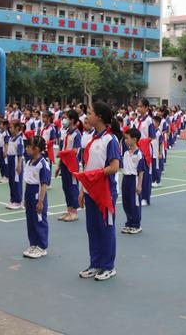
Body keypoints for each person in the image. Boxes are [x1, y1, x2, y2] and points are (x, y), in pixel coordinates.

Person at [78, 102, 121, 282]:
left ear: (100, 117)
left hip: (105, 193)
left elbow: (114, 167)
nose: (86, 116)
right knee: (92, 229)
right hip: (90, 192)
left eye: (89, 113)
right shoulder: (90, 139)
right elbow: (86, 167)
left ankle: (108, 266)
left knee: (106, 229)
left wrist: (96, 175)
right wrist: (83, 189)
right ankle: (95, 263)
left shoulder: (110, 140)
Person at [23, 136, 50, 259]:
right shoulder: (29, 161)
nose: (27, 148)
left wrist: (41, 201)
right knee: (30, 219)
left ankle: (42, 246)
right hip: (29, 191)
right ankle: (33, 243)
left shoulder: (42, 164)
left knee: (39, 219)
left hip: (37, 192)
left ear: (37, 149)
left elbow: (44, 184)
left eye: (29, 146)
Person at [55, 110, 81, 222]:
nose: (63, 120)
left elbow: (75, 151)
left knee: (72, 187)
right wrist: (58, 165)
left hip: (72, 165)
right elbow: (63, 148)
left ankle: (74, 211)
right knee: (65, 187)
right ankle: (69, 209)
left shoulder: (77, 134)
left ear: (72, 120)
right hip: (64, 164)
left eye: (65, 118)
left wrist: (62, 153)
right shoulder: (65, 132)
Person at [121, 127, 145, 234]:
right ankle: (129, 222)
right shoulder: (126, 153)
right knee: (126, 202)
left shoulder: (139, 154)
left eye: (127, 138)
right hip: (125, 179)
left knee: (134, 203)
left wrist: (139, 185)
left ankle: (136, 224)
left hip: (133, 180)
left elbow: (141, 171)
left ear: (135, 139)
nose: (125, 141)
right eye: (125, 138)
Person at [6, 121, 25, 210]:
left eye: (11, 127)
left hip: (16, 161)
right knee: (11, 181)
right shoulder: (11, 138)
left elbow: (20, 153)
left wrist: (19, 165)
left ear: (17, 128)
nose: (10, 129)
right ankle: (13, 199)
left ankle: (18, 201)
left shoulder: (19, 139)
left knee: (17, 181)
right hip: (10, 160)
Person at [0, 118, 9, 184]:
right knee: (0, 163)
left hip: (3, 149)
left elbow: (6, 143)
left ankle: (6, 177)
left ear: (5, 126)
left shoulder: (6, 133)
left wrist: (5, 152)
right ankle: (2, 176)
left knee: (4, 164)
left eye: (1, 124)